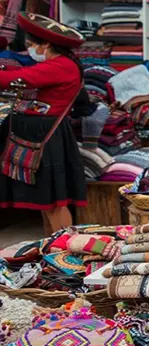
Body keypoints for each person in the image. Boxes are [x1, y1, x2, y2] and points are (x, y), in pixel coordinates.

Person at [0, 13, 87, 234]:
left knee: (54, 202)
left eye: (31, 45)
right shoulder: (60, 64)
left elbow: (17, 79)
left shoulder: (60, 66)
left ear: (46, 45)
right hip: (40, 136)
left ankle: (65, 250)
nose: (30, 49)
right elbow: (22, 74)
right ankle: (52, 247)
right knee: (46, 202)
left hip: (44, 138)